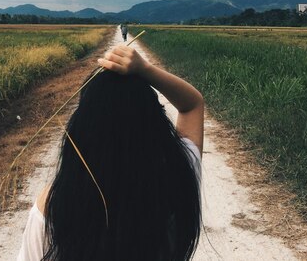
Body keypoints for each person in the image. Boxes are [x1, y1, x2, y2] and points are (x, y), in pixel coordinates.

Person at [17, 43, 204, 261]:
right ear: (154, 123)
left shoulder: (55, 204)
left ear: (84, 129)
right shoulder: (178, 176)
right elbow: (192, 104)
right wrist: (145, 69)